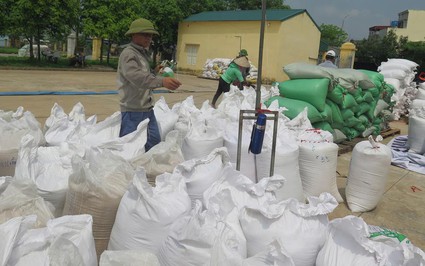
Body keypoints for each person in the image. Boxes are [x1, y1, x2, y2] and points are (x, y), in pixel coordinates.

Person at [117, 18, 182, 151]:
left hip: (147, 109)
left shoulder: (141, 53)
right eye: (145, 34)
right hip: (132, 110)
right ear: (134, 35)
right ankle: (130, 171)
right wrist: (162, 81)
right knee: (130, 147)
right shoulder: (129, 54)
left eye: (150, 35)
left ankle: (146, 170)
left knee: (153, 142)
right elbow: (136, 77)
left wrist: (154, 71)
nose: (149, 38)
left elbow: (143, 74)